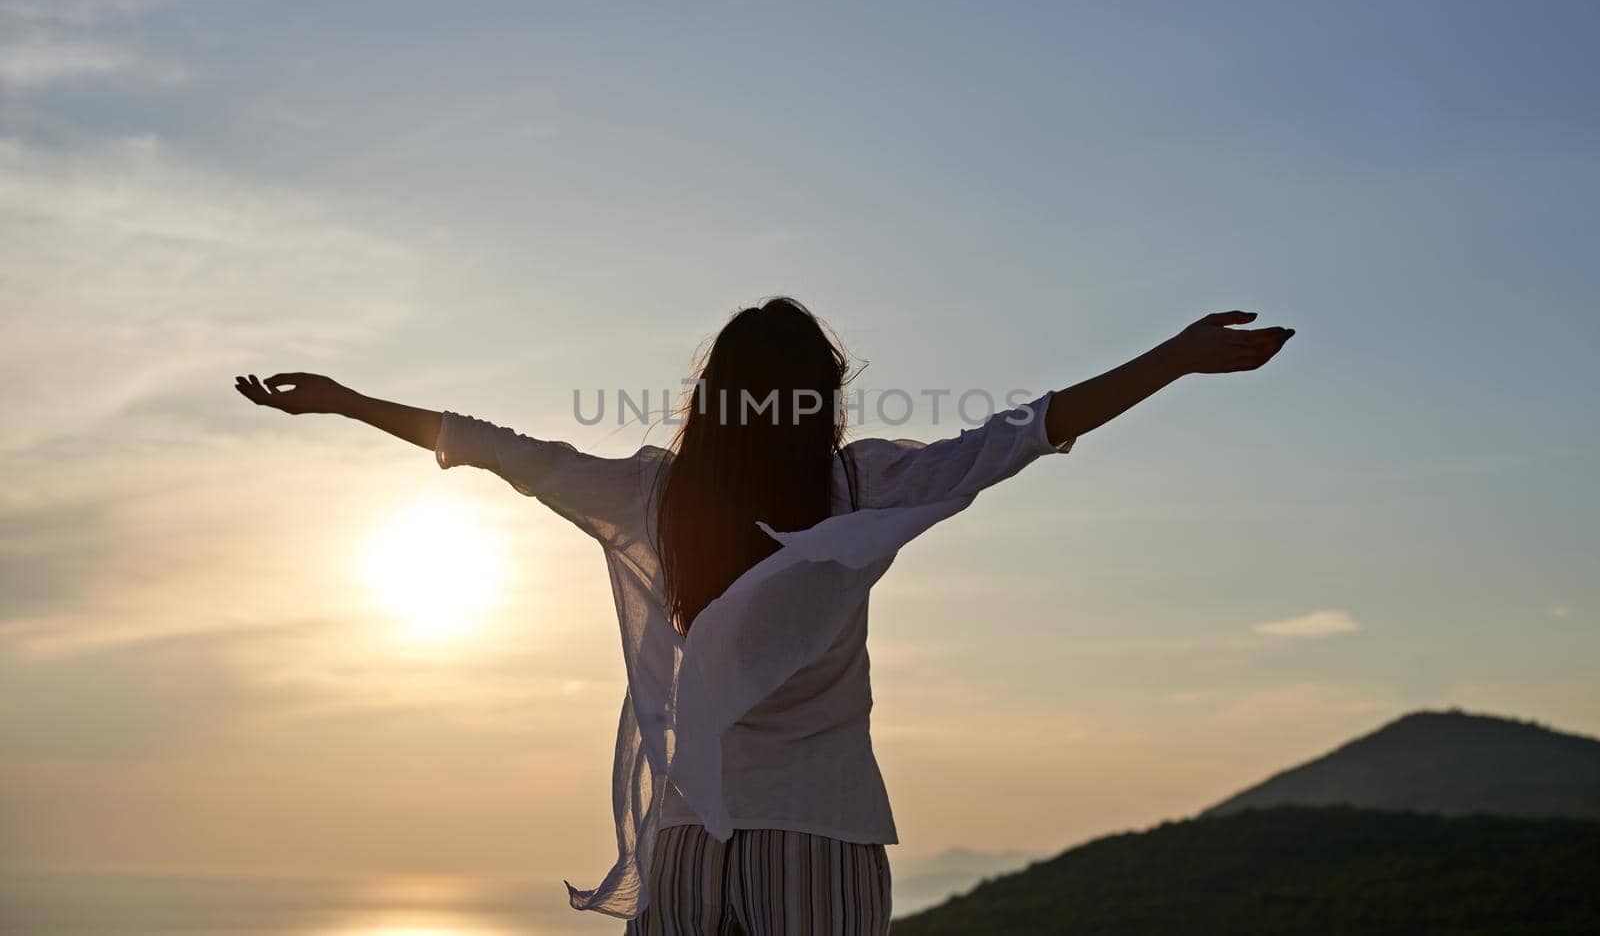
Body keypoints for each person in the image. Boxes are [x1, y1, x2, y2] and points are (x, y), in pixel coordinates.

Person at [235, 298, 1293, 935]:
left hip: (690, 841)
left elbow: (498, 449)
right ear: (818, 397)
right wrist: (1175, 356)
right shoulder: (861, 486)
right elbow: (1032, 431)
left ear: (716, 396)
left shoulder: (652, 497)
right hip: (823, 837)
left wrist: (346, 401)